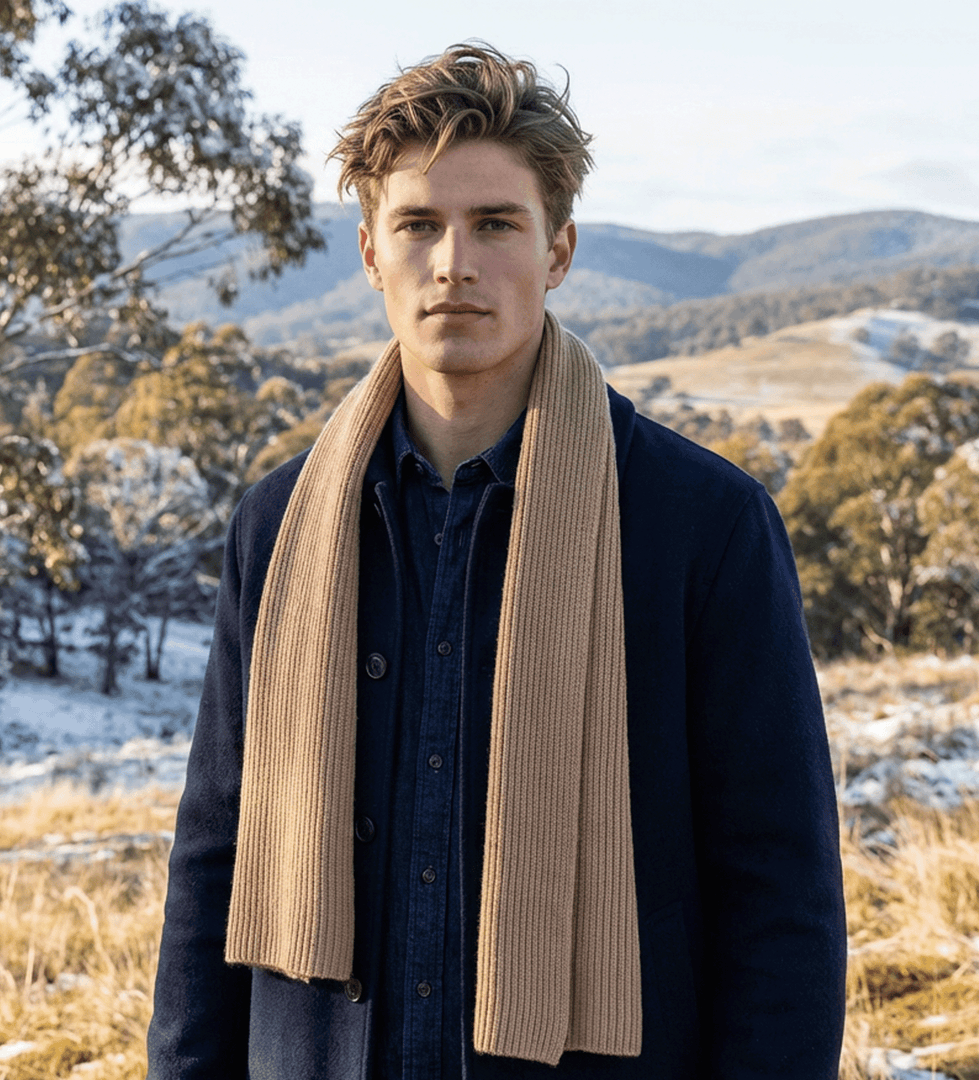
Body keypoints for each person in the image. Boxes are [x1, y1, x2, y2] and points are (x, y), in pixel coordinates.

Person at [147, 43, 846, 1080]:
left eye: (496, 225)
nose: (454, 262)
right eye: (419, 224)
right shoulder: (280, 523)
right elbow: (213, 857)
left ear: (558, 251)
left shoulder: (705, 525)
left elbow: (779, 896)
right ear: (371, 253)